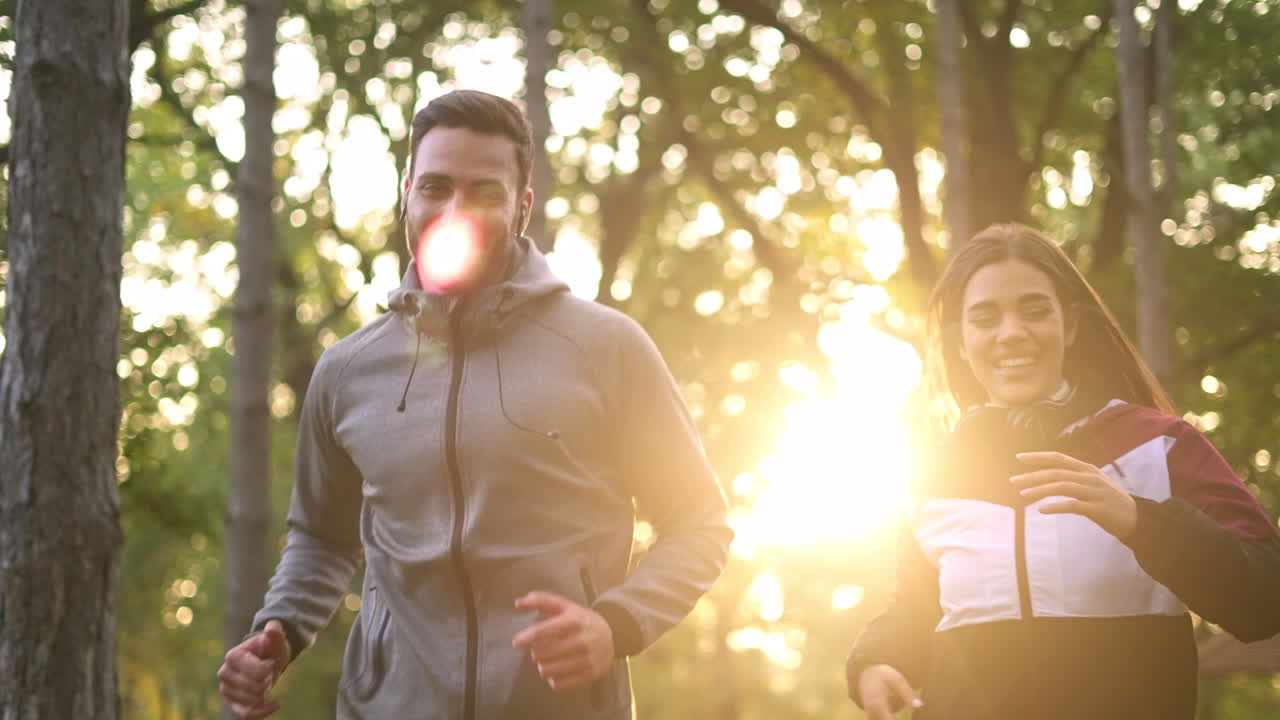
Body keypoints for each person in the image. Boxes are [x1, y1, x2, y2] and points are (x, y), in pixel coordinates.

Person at [216, 89, 733, 719]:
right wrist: (279, 631)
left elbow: (699, 520)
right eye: (435, 186)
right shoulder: (347, 371)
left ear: (522, 207)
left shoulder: (606, 348)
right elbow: (322, 538)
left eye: (484, 192)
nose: (453, 210)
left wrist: (615, 623)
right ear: (406, 190)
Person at [846, 222, 1280, 719]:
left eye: (1035, 311)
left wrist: (1140, 520)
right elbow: (920, 609)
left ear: (1070, 327)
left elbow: (1265, 597)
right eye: (984, 318)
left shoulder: (1159, 445)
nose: (1011, 333)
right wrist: (876, 660)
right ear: (962, 342)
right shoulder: (932, 476)